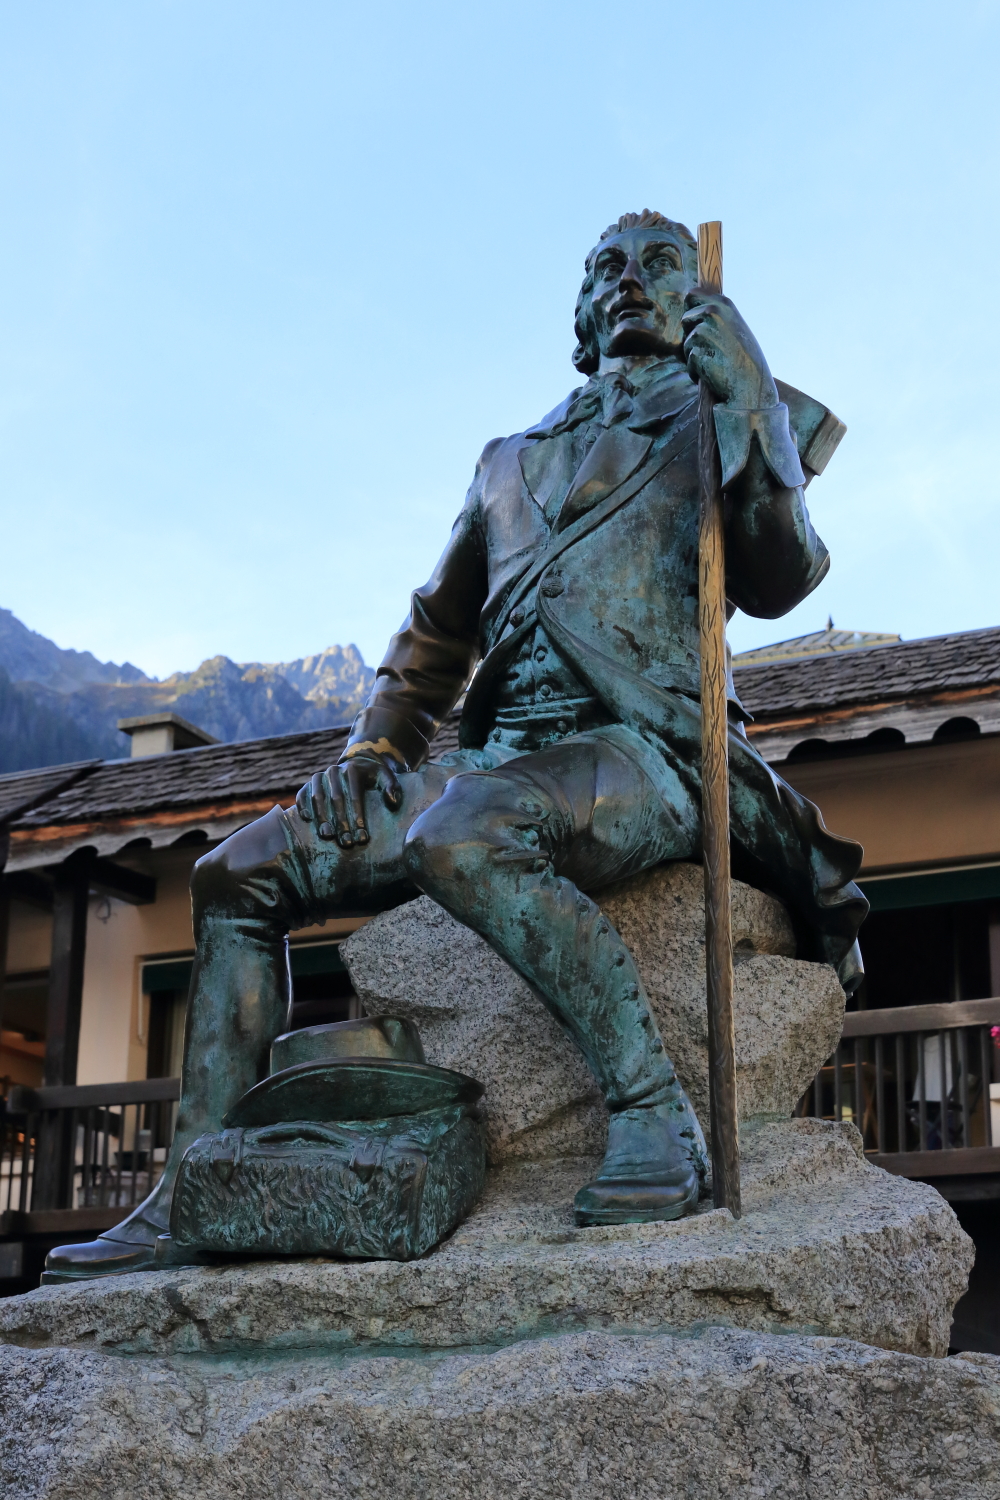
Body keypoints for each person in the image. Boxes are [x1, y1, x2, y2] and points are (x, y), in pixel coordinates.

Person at [45, 210, 867, 1282]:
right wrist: (370, 753)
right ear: (582, 315)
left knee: (462, 833)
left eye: (660, 263)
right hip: (501, 756)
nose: (629, 280)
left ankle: (653, 1113)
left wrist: (748, 396)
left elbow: (782, 576)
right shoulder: (505, 462)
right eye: (606, 269)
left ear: (696, 297)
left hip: (648, 748)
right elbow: (435, 636)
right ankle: (193, 1187)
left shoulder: (727, 420)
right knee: (235, 874)